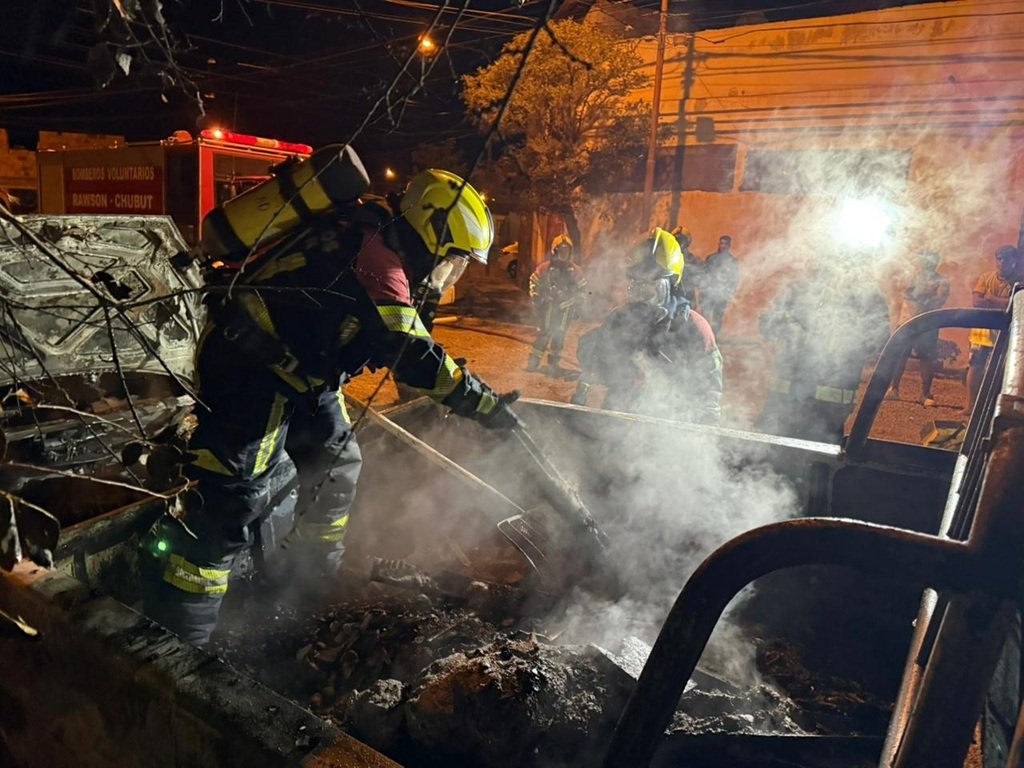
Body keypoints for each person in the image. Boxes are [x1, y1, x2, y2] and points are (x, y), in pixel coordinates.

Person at [142, 168, 519, 646]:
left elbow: (408, 342)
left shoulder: (386, 248)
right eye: (457, 259)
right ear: (433, 235)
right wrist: (482, 404)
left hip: (304, 378)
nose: (454, 273)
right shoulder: (376, 260)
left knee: (336, 466)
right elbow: (409, 351)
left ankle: (306, 586)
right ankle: (179, 638)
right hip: (249, 372)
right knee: (231, 502)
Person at [572, 228, 723, 424]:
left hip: (669, 428)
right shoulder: (619, 320)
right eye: (637, 285)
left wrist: (703, 433)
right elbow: (593, 369)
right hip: (618, 422)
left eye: (652, 286)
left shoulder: (694, 328)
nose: (643, 295)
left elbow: (709, 393)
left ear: (672, 284)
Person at [757, 253, 891, 443]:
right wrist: (790, 328)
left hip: (829, 410)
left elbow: (879, 339)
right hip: (783, 401)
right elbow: (766, 326)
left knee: (817, 462)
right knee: (769, 460)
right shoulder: (798, 290)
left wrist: (848, 343)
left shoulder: (867, 297)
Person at [887, 250, 950, 406]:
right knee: (900, 355)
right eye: (924, 259)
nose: (927, 262)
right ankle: (893, 389)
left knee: (927, 358)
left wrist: (920, 296)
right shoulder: (911, 277)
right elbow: (906, 293)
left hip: (928, 323)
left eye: (931, 260)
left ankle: (925, 394)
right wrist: (925, 295)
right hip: (907, 320)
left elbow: (939, 300)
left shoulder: (942, 281)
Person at [967, 244, 1024, 411]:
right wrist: (1003, 304)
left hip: (1005, 332)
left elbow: (1016, 305)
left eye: (1007, 258)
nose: (1003, 262)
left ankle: (992, 408)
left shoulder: (1019, 283)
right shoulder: (986, 277)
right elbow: (977, 302)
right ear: (996, 260)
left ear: (1014, 261)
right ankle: (970, 406)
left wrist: (991, 299)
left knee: (1001, 370)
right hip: (982, 330)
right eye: (1000, 258)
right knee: (976, 365)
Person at [527, 234, 587, 375]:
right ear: (555, 251)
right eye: (561, 251)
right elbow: (533, 281)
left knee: (559, 336)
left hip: (566, 308)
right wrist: (535, 296)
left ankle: (553, 365)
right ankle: (533, 363)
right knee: (544, 333)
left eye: (566, 251)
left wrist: (578, 304)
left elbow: (584, 289)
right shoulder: (545, 268)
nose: (564, 254)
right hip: (548, 307)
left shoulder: (575, 270)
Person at [698, 235, 740, 338]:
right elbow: (704, 273)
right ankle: (704, 337)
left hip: (721, 294)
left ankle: (714, 337)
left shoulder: (732, 261)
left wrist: (730, 292)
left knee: (717, 317)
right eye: (721, 243)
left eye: (726, 244)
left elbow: (734, 279)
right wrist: (702, 288)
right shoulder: (711, 258)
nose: (723, 246)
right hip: (708, 292)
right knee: (705, 315)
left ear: (729, 246)